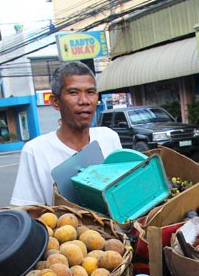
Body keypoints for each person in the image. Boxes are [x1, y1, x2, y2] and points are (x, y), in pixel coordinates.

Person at [10, 61, 121, 206]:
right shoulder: (35, 151)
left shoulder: (108, 137)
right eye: (73, 93)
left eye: (90, 92)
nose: (84, 101)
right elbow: (30, 212)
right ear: (55, 102)